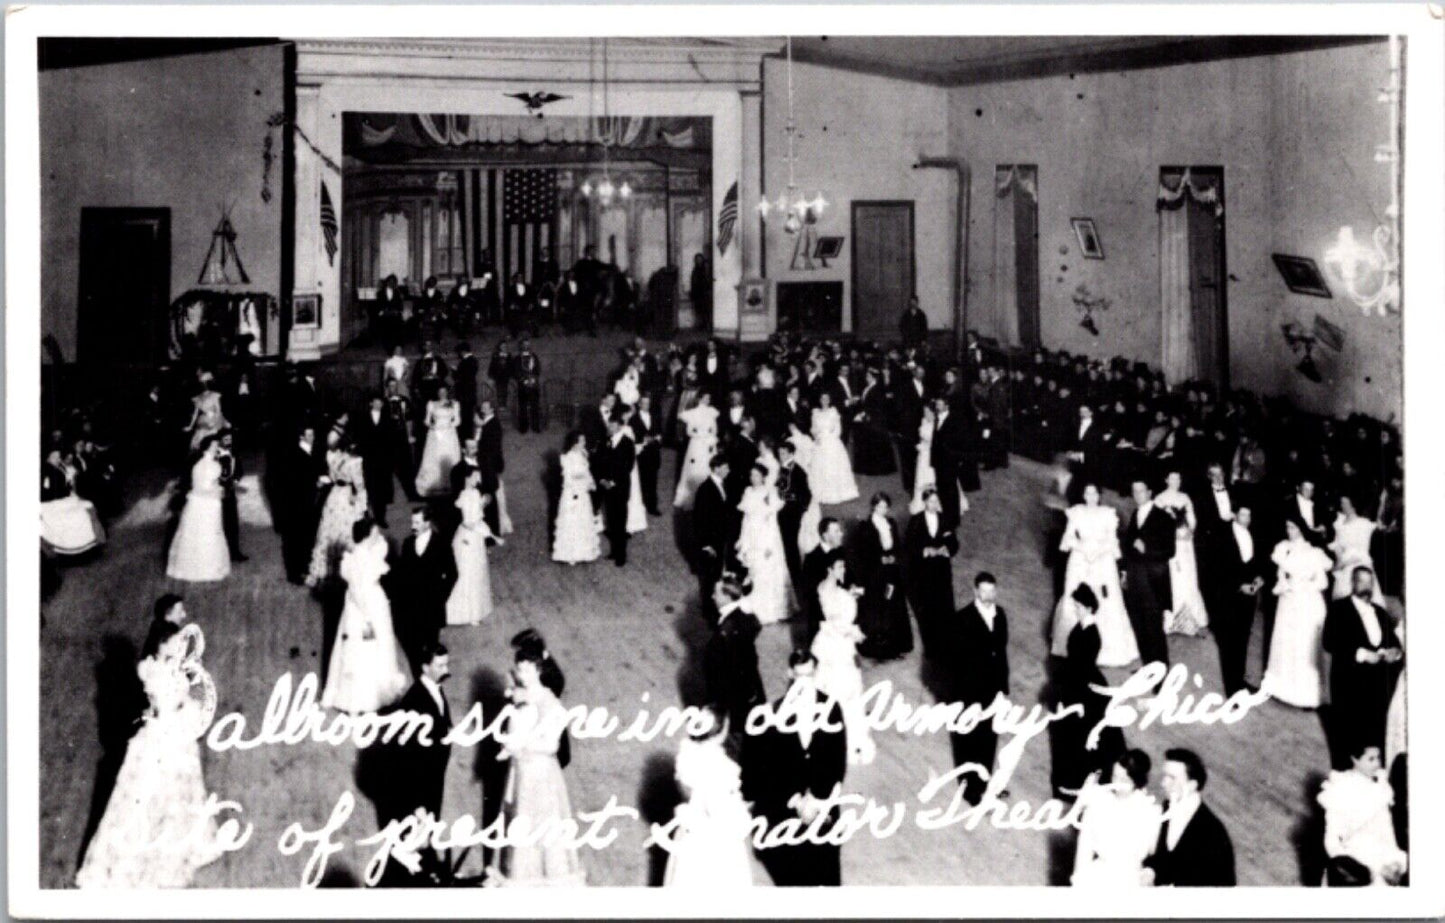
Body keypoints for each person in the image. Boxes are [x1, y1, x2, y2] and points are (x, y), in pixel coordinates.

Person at [76, 621, 224, 888]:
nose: (180, 645)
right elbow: (168, 702)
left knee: (178, 792)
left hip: (171, 730)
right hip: (164, 736)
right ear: (161, 642)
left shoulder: (162, 666)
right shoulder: (152, 670)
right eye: (175, 641)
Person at [486, 644, 586, 887]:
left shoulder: (549, 702)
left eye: (528, 671)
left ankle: (544, 877)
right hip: (520, 771)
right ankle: (517, 874)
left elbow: (551, 745)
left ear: (539, 670)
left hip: (540, 773)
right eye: (520, 670)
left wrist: (520, 747)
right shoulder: (521, 695)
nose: (523, 676)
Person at [746, 650, 848, 887]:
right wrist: (796, 801)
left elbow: (837, 762)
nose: (805, 683)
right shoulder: (773, 714)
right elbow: (769, 771)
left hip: (822, 806)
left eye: (810, 676)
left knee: (828, 874)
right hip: (787, 810)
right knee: (794, 877)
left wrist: (817, 798)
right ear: (789, 674)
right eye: (800, 676)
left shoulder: (832, 709)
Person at [376, 641, 453, 886]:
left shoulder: (435, 690)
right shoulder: (415, 703)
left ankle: (423, 873)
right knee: (411, 844)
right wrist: (417, 805)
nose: (446, 668)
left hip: (432, 783)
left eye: (446, 663)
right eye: (440, 665)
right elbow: (409, 764)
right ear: (424, 667)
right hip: (419, 792)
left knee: (424, 838)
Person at [322, 519, 411, 713]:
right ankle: (362, 700)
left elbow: (382, 546)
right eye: (375, 534)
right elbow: (357, 593)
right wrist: (367, 621)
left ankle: (382, 689)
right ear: (366, 537)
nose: (378, 537)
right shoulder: (357, 560)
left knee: (382, 646)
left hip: (374, 603)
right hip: (364, 611)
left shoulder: (368, 552)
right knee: (364, 650)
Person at [661, 709, 755, 889]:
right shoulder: (721, 768)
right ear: (723, 731)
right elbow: (725, 819)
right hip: (715, 844)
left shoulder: (688, 757)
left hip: (691, 836)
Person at [1049, 584, 1127, 799]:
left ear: (1089, 607)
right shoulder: (1081, 626)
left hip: (1084, 689)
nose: (1076, 610)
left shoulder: (1092, 634)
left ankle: (1082, 783)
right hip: (1077, 684)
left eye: (1079, 606)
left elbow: (1082, 668)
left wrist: (1074, 698)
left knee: (1082, 737)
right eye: (1075, 606)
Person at [941, 573, 1010, 806]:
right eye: (984, 591)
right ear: (975, 591)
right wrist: (967, 699)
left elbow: (1001, 654)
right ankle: (971, 789)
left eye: (993, 590)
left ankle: (985, 782)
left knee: (989, 737)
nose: (989, 596)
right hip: (970, 692)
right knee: (968, 740)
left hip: (992, 691)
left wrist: (1003, 688)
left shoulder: (1000, 615)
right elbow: (955, 664)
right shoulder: (962, 619)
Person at [1323, 567, 1403, 767]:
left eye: (1370, 583)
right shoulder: (1339, 609)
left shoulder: (1380, 612)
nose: (1366, 587)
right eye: (1361, 582)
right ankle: (1344, 773)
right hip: (1349, 682)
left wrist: (1396, 651)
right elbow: (1329, 641)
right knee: (1347, 734)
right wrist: (1363, 655)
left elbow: (1394, 643)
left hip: (1376, 685)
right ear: (1352, 583)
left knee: (1374, 732)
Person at [1055, 482, 1138, 667]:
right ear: (1083, 495)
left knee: (1106, 599)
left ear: (1099, 495)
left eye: (1094, 493)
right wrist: (1082, 548)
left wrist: (1099, 552)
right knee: (1076, 598)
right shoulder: (1076, 512)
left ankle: (1107, 650)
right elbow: (1068, 538)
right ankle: (1072, 645)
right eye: (1087, 492)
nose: (1091, 496)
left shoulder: (1107, 513)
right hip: (1080, 560)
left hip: (1103, 561)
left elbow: (1112, 540)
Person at [1260, 517, 1333, 709]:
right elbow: (1279, 576)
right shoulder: (1282, 547)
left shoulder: (1313, 552)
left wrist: (1303, 586)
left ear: (1301, 530)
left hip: (1306, 603)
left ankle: (1305, 694)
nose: (1289, 531)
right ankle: (1281, 687)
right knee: (1285, 642)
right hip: (1287, 602)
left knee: (1304, 644)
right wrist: (1285, 585)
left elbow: (1322, 582)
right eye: (1287, 527)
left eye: (1292, 528)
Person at [813, 558, 876, 765]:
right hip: (837, 646)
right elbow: (836, 621)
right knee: (843, 689)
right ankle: (846, 739)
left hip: (837, 643)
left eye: (844, 566)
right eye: (839, 567)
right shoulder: (830, 593)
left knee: (847, 689)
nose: (844, 570)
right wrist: (855, 632)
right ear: (829, 569)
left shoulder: (828, 589)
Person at [1143, 748, 1236, 887]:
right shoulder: (1169, 806)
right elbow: (1165, 859)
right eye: (1165, 776)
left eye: (1172, 778)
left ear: (1192, 785)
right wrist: (1151, 870)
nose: (1163, 783)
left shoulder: (1212, 832)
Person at [1070, 750, 1162, 888]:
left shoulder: (1151, 811)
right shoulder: (1098, 802)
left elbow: (1154, 854)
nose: (1117, 784)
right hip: (1097, 877)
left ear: (1137, 781)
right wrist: (1078, 881)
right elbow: (1084, 848)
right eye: (1115, 776)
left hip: (1133, 881)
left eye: (1124, 780)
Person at [1318, 742, 1407, 885]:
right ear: (1355, 759)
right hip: (1356, 865)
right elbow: (1332, 842)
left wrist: (1397, 863)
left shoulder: (1381, 789)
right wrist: (1370, 869)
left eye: (1378, 758)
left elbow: (1387, 833)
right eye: (1371, 759)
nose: (1377, 764)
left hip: (1385, 860)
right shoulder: (1339, 789)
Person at [1120, 479, 1176, 676]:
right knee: (1139, 626)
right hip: (1135, 580)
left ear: (1150, 492)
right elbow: (1128, 546)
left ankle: (1161, 677)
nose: (1137, 495)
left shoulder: (1164, 518)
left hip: (1153, 583)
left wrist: (1147, 550)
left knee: (1153, 630)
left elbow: (1170, 551)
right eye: (1134, 491)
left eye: (1141, 491)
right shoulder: (1136, 513)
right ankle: (1148, 668)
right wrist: (1125, 572)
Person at [1210, 505, 1267, 696]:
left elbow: (1256, 562)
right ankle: (1231, 690)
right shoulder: (1221, 535)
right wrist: (1238, 585)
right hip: (1228, 596)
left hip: (1248, 597)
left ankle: (1239, 682)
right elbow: (1216, 569)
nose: (1247, 519)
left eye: (1249, 515)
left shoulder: (1252, 534)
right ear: (1234, 515)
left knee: (1243, 639)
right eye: (1243, 514)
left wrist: (1258, 578)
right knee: (1228, 643)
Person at [390, 507, 457, 665]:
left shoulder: (441, 544)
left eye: (417, 522)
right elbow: (402, 572)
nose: (413, 525)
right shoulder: (408, 543)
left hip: (433, 602)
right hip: (412, 602)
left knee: (432, 640)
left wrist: (442, 596)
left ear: (428, 523)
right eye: (413, 521)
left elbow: (453, 573)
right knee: (415, 640)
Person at [703, 579, 767, 739]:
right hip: (748, 682)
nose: (712, 596)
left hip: (733, 688)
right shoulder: (744, 616)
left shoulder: (728, 629)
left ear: (726, 596)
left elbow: (725, 665)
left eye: (716, 593)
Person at [855, 493, 913, 661]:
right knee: (880, 609)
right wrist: (880, 559)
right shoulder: (866, 527)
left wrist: (894, 557)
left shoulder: (891, 523)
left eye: (886, 507)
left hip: (891, 571)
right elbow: (863, 553)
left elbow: (897, 546)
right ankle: (880, 650)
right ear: (874, 507)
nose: (883, 510)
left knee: (895, 606)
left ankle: (896, 647)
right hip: (876, 574)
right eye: (880, 506)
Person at [166, 436, 231, 582]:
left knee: (198, 533)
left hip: (197, 503)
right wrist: (219, 490)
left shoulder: (198, 465)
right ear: (207, 448)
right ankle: (207, 569)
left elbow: (199, 486)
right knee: (208, 532)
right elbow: (207, 487)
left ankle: (196, 567)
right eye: (214, 446)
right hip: (209, 504)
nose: (217, 448)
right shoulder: (213, 466)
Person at [306, 441, 368, 587]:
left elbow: (332, 478)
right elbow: (359, 485)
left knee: (329, 529)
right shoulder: (356, 461)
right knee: (349, 530)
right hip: (347, 496)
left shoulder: (335, 457)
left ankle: (327, 569)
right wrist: (363, 505)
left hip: (334, 495)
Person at [1155, 470, 1209, 636]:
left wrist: (1189, 529)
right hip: (1170, 545)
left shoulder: (1185, 497)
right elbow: (1156, 524)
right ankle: (1172, 620)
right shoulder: (1160, 499)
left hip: (1185, 544)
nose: (1175, 481)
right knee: (1174, 577)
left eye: (1178, 478)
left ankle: (1192, 618)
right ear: (1166, 479)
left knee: (1188, 576)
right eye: (1172, 478)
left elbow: (1192, 519)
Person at [735, 462, 790, 625]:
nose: (753, 478)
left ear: (764, 477)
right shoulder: (747, 491)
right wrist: (742, 539)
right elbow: (745, 518)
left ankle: (767, 609)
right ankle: (753, 603)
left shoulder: (769, 493)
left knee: (764, 570)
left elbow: (771, 522)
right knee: (752, 570)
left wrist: (769, 545)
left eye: (757, 475)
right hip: (751, 534)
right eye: (751, 475)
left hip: (765, 537)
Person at [905, 488, 957, 658]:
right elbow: (909, 546)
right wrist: (925, 550)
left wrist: (947, 548)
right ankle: (932, 648)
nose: (934, 505)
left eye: (936, 501)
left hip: (942, 570)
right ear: (925, 502)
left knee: (946, 607)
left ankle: (949, 645)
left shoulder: (944, 519)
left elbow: (953, 541)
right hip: (923, 572)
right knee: (928, 610)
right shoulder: (916, 521)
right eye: (931, 501)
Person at [446, 469, 499, 626]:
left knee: (474, 571)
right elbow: (472, 522)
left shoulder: (472, 494)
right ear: (468, 478)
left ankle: (474, 611)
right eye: (475, 477)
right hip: (469, 536)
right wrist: (491, 535)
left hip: (470, 535)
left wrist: (481, 504)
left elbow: (474, 515)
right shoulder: (469, 495)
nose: (478, 479)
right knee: (468, 572)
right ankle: (468, 612)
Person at [278, 424, 328, 584]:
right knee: (294, 539)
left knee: (308, 536)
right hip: (294, 504)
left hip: (310, 502)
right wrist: (315, 483)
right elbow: (292, 481)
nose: (313, 437)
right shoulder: (292, 454)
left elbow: (319, 468)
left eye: (313, 434)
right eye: (309, 435)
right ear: (301, 437)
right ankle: (293, 573)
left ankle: (305, 567)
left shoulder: (315, 451)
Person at [41, 446, 106, 556]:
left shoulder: (57, 468)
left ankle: (93, 539)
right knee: (77, 514)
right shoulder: (45, 471)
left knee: (87, 506)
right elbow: (47, 492)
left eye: (59, 457)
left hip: (62, 499)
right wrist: (65, 492)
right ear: (48, 458)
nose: (58, 459)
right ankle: (72, 545)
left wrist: (67, 491)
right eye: (54, 457)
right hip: (51, 503)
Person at [552, 432, 602, 565]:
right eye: (581, 441)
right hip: (573, 494)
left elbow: (586, 471)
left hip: (583, 493)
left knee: (584, 521)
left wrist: (591, 482)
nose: (584, 443)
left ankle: (584, 552)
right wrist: (577, 489)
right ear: (574, 443)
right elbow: (569, 479)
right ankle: (571, 554)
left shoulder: (583, 454)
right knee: (573, 522)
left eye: (584, 441)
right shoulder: (567, 458)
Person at [594, 414, 636, 567]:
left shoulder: (627, 443)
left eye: (612, 426)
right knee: (611, 520)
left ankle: (621, 555)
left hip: (620, 488)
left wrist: (613, 481)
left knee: (620, 522)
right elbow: (598, 461)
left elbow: (628, 467)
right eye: (608, 425)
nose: (609, 428)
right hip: (607, 487)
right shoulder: (605, 441)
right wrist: (602, 480)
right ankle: (614, 551)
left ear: (619, 426)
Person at [1329, 495, 1384, 604]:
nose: (1342, 506)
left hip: (1361, 565)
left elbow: (1364, 550)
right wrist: (1340, 565)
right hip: (1344, 567)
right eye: (1341, 503)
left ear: (1353, 506)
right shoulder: (1338, 525)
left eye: (1345, 503)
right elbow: (1338, 549)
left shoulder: (1364, 524)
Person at [809, 390, 859, 505]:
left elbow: (838, 429)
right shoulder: (815, 413)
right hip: (820, 441)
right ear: (820, 400)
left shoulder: (833, 411)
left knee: (833, 465)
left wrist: (830, 438)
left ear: (829, 400)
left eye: (827, 399)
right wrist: (816, 436)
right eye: (823, 399)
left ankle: (839, 492)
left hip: (832, 441)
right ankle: (823, 493)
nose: (825, 401)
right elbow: (813, 429)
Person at [674, 393, 720, 509]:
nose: (708, 400)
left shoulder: (712, 412)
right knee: (694, 466)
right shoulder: (693, 413)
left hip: (708, 444)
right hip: (697, 444)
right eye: (706, 398)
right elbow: (689, 431)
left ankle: (709, 496)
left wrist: (710, 437)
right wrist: (700, 435)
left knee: (708, 466)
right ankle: (691, 496)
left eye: (709, 398)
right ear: (700, 399)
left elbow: (715, 430)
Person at [415, 385, 462, 497]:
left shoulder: (454, 404)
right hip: (435, 434)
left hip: (448, 434)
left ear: (447, 392)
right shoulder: (432, 404)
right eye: (440, 391)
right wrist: (432, 426)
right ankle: (434, 484)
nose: (442, 394)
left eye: (444, 391)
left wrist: (447, 426)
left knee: (449, 455)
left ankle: (450, 484)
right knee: (434, 457)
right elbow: (426, 420)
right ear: (437, 393)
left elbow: (458, 421)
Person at [851, 367, 897, 477]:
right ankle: (868, 468)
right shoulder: (868, 387)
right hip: (868, 420)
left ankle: (877, 470)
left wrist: (865, 414)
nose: (866, 378)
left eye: (868, 376)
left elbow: (878, 406)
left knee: (876, 445)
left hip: (876, 421)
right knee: (869, 444)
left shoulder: (878, 389)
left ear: (873, 377)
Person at [630, 394, 663, 516]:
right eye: (644, 403)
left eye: (648, 403)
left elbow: (659, 432)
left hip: (653, 453)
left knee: (653, 480)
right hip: (642, 454)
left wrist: (658, 438)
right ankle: (641, 505)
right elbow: (633, 437)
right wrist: (643, 440)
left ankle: (652, 506)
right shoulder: (634, 419)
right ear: (639, 404)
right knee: (642, 480)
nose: (646, 406)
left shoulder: (655, 416)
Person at [184, 373, 228, 453]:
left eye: (205, 383)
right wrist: (190, 426)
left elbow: (218, 410)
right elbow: (195, 413)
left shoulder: (214, 395)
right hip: (204, 422)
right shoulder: (198, 398)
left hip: (214, 422)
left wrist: (215, 421)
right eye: (202, 383)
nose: (204, 385)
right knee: (199, 442)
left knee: (213, 442)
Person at [514, 344, 543, 434]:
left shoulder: (534, 357)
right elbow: (516, 372)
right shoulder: (518, 358)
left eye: (528, 345)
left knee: (535, 407)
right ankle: (523, 428)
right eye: (524, 345)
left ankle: (535, 427)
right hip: (522, 387)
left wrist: (534, 379)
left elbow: (538, 369)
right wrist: (524, 381)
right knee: (522, 408)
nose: (526, 347)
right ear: (521, 347)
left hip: (534, 386)